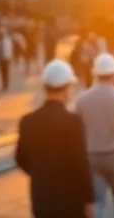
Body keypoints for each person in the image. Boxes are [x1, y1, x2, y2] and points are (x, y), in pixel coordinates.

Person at [16, 60, 96, 218]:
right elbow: (81, 164)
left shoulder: (27, 121)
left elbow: (20, 159)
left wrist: (42, 173)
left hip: (41, 200)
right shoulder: (73, 122)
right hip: (69, 202)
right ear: (66, 89)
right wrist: (89, 200)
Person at [74, 54, 114, 218]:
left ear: (95, 74)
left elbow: (76, 131)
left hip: (92, 156)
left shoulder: (82, 100)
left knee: (98, 202)